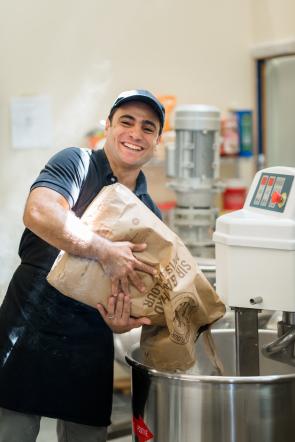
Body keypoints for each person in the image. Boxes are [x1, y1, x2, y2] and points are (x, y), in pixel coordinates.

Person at [0, 89, 165, 442]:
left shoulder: (150, 215)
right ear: (107, 126)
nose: (136, 133)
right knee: (12, 431)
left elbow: (133, 294)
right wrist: (105, 251)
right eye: (126, 121)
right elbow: (40, 212)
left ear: (157, 141)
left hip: (89, 338)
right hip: (29, 322)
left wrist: (120, 323)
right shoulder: (76, 163)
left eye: (148, 128)